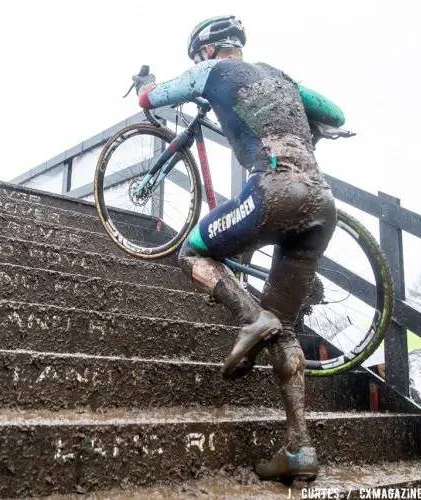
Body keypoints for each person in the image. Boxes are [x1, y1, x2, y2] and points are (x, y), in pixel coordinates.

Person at [132, 16, 346, 482]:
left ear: (207, 51)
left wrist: (144, 84)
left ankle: (252, 321)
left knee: (192, 251)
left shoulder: (211, 74)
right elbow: (337, 113)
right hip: (321, 202)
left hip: (273, 190)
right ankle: (299, 449)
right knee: (284, 331)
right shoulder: (280, 76)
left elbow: (154, 97)